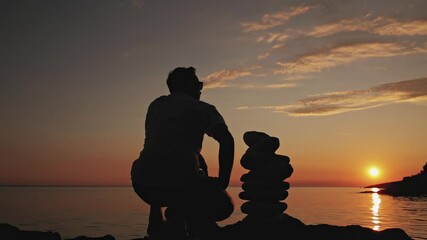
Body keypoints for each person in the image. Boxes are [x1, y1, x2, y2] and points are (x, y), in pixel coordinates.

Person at [131, 67, 235, 239]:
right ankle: (184, 222)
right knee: (225, 205)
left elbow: (160, 148)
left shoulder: (156, 105)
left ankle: (157, 220)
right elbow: (227, 140)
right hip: (179, 187)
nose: (201, 89)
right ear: (188, 86)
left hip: (142, 184)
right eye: (198, 84)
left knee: (188, 161)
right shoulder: (201, 108)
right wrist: (223, 181)